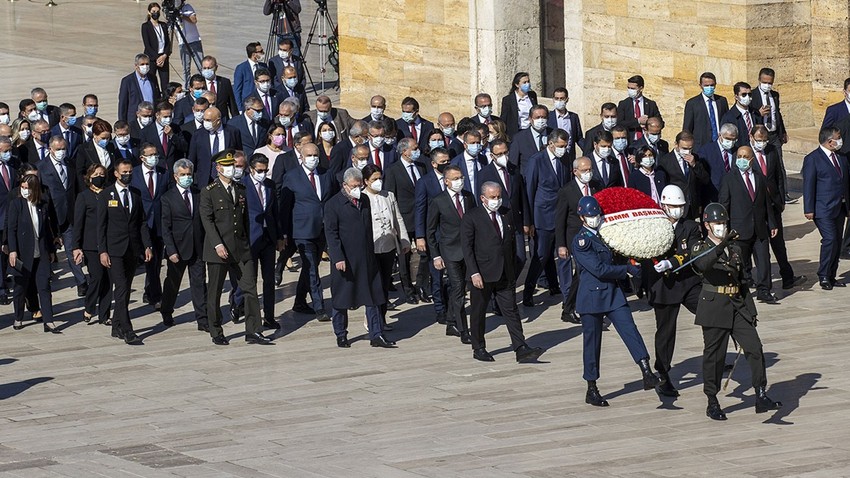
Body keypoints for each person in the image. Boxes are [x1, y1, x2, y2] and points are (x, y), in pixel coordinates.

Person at [692, 203, 782, 420]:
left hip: (737, 305)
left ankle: (761, 393)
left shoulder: (735, 248)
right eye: (717, 223)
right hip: (714, 307)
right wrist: (721, 245)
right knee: (715, 357)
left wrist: (750, 310)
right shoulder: (700, 247)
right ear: (706, 225)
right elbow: (703, 265)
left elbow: (742, 281)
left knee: (755, 348)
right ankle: (712, 400)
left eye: (723, 223)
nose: (721, 226)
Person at [571, 196, 660, 407]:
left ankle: (646, 370)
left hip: (612, 294)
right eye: (591, 216)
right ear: (582, 217)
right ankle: (591, 387)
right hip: (592, 296)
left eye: (597, 215)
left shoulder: (606, 233)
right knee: (592, 343)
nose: (595, 219)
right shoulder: (581, 241)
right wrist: (626, 270)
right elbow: (598, 269)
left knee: (630, 330)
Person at [461, 181, 543, 363]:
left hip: (505, 273)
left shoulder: (506, 214)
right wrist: (474, 273)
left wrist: (513, 269)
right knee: (479, 312)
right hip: (482, 274)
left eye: (498, 197)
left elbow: (511, 243)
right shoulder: (472, 217)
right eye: (492, 197)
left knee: (511, 311)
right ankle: (479, 347)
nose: (496, 201)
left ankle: (520, 347)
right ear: (483, 198)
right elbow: (467, 247)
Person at [200, 150, 271, 345]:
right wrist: (217, 244)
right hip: (219, 250)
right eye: (227, 165)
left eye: (233, 165)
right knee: (214, 292)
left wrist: (246, 243)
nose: (231, 169)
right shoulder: (209, 192)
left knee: (250, 289)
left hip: (241, 247)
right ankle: (216, 330)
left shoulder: (240, 189)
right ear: (218, 168)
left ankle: (254, 330)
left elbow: (244, 220)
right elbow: (207, 221)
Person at [323, 167, 394, 348]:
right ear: (345, 185)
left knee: (373, 297)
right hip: (345, 259)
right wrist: (338, 257)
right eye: (354, 186)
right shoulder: (333, 205)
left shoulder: (364, 200)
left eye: (359, 185)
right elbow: (331, 234)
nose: (357, 188)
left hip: (366, 257)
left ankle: (376, 334)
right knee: (342, 298)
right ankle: (341, 333)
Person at [644, 185, 702, 397]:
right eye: (673, 206)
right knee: (666, 333)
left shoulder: (690, 227)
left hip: (688, 283)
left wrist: (671, 262)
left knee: (710, 313)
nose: (677, 210)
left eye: (680, 206)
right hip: (664, 287)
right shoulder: (653, 225)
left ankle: (715, 357)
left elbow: (693, 250)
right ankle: (664, 374)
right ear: (664, 205)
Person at [98, 159, 154, 345]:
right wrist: (103, 251)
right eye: (124, 172)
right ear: (116, 173)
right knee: (121, 287)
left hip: (132, 248)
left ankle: (116, 325)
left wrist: (147, 245)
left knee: (126, 287)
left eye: (130, 172)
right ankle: (127, 328)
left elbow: (142, 222)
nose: (127, 175)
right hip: (114, 249)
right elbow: (101, 226)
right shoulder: (107, 195)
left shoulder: (136, 194)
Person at [280, 143, 333, 321]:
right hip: (302, 231)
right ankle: (319, 307)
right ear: (301, 156)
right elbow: (285, 206)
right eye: (309, 155)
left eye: (316, 155)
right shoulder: (292, 176)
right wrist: (284, 233)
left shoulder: (326, 174)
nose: (313, 158)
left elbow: (331, 199)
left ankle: (300, 302)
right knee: (311, 270)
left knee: (312, 267)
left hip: (322, 229)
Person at [718, 146, 778, 303]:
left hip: (759, 228)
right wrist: (723, 228)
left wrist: (772, 224)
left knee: (764, 260)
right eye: (739, 156)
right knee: (740, 264)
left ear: (752, 159)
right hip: (739, 229)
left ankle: (764, 290)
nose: (742, 159)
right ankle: (740, 291)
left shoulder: (759, 177)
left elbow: (766, 203)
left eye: (745, 156)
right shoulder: (729, 179)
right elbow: (724, 204)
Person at [751, 126, 805, 290]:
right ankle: (760, 282)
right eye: (759, 140)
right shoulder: (745, 154)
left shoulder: (772, 151)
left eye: (764, 140)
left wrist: (781, 200)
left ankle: (787, 277)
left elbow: (779, 177)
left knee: (779, 244)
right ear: (751, 137)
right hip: (756, 206)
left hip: (773, 205)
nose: (762, 143)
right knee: (759, 246)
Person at [427, 164, 476, 344]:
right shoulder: (438, 200)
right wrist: (436, 255)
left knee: (461, 286)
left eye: (460, 177)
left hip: (468, 250)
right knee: (458, 290)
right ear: (446, 181)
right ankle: (463, 329)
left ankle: (450, 321)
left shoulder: (469, 197)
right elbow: (430, 230)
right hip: (450, 251)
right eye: (455, 179)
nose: (459, 181)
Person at [523, 129, 571, 307]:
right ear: (551, 144)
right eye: (560, 146)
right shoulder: (537, 160)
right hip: (542, 215)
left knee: (558, 252)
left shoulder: (565, 159)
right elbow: (530, 191)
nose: (563, 149)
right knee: (541, 254)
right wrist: (529, 221)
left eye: (565, 146)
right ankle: (528, 290)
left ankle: (554, 286)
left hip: (561, 214)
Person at [160, 159, 208, 331]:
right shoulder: (167, 198)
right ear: (175, 176)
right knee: (173, 283)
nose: (186, 178)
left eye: (189, 174)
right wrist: (171, 250)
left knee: (199, 283)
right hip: (178, 249)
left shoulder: (199, 193)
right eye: (183, 175)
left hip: (198, 247)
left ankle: (203, 319)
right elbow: (165, 227)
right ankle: (166, 310)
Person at [37, 136, 88, 297]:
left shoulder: (71, 164)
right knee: (46, 253)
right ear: (50, 149)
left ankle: (81, 281)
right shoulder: (41, 168)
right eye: (58, 149)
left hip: (70, 215)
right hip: (50, 218)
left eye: (63, 148)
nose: (61, 152)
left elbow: (77, 188)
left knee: (72, 250)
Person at [8, 173, 58, 332]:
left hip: (41, 252)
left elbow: (46, 231)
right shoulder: (16, 204)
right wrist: (12, 251)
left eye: (27, 188)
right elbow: (11, 229)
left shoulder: (42, 205)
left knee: (44, 286)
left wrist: (51, 250)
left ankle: (49, 321)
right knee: (20, 287)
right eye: (22, 188)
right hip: (23, 253)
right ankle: (18, 317)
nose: (24, 191)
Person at [802, 127, 850, 290]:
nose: (840, 140)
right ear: (830, 141)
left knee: (837, 241)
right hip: (822, 208)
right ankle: (823, 275)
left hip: (840, 208)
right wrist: (808, 208)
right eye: (838, 137)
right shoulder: (813, 159)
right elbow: (808, 185)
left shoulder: (841, 157)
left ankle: (831, 275)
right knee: (829, 239)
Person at [554, 156, 601, 323]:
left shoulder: (596, 186)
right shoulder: (566, 191)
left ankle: (592, 309)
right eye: (584, 170)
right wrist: (561, 245)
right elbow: (560, 220)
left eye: (590, 169)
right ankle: (569, 308)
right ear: (575, 171)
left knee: (590, 273)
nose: (588, 173)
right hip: (575, 238)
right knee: (582, 274)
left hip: (595, 237)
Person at [362, 164, 409, 323]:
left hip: (388, 246)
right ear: (366, 181)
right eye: (374, 179)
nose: (378, 182)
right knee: (373, 286)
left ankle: (381, 319)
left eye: (380, 178)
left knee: (384, 284)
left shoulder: (388, 195)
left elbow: (398, 218)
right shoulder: (362, 197)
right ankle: (371, 320)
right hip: (371, 247)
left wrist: (404, 240)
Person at [241, 153, 283, 330]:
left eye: (266, 170)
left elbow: (275, 212)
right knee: (249, 280)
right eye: (260, 170)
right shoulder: (242, 185)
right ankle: (240, 306)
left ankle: (269, 317)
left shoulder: (270, 185)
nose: (263, 173)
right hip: (251, 238)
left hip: (268, 237)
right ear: (251, 169)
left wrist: (280, 237)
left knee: (268, 279)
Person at [384, 138, 427, 304]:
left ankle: (422, 286)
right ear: (404, 151)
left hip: (422, 218)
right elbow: (389, 196)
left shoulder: (421, 166)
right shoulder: (393, 170)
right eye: (414, 148)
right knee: (405, 258)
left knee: (425, 255)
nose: (418, 151)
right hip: (405, 219)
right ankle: (408, 290)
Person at [477, 139, 529, 271]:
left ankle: (510, 283)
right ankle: (505, 288)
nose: (503, 156)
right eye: (499, 154)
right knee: (502, 260)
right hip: (497, 222)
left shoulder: (514, 170)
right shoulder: (484, 174)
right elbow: (481, 201)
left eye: (505, 152)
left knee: (521, 258)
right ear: (492, 156)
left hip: (515, 222)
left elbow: (522, 196)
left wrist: (526, 222)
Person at [131, 143, 171, 309]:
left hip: (158, 225)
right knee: (144, 260)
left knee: (154, 262)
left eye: (156, 154)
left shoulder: (163, 173)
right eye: (150, 154)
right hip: (140, 224)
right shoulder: (134, 174)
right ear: (142, 157)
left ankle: (154, 294)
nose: (154, 157)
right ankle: (150, 292)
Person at [72, 165, 113, 326]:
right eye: (96, 175)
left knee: (108, 281)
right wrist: (76, 246)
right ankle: (89, 307)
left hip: (109, 243)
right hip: (90, 245)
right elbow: (78, 223)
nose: (100, 177)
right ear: (89, 177)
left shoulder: (109, 194)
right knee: (97, 277)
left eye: (102, 174)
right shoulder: (83, 197)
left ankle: (105, 315)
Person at [414, 148, 451, 320]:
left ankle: (451, 305)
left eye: (448, 161)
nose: (446, 164)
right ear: (434, 164)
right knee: (436, 274)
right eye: (443, 162)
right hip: (433, 233)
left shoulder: (453, 177)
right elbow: (420, 210)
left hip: (450, 233)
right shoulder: (425, 182)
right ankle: (439, 309)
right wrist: (420, 236)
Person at [657, 130, 710, 220]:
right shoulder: (665, 161)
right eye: (684, 148)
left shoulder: (695, 158)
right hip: (675, 206)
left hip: (692, 207)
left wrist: (694, 165)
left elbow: (705, 179)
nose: (687, 151)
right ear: (676, 144)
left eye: (690, 148)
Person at [188, 106, 242, 187]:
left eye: (208, 120)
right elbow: (192, 158)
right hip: (205, 180)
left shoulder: (232, 132)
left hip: (227, 177)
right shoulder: (198, 134)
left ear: (218, 121)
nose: (205, 122)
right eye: (204, 119)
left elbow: (239, 154)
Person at [683, 72, 730, 150]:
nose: (709, 87)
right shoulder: (692, 103)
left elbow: (727, 122)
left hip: (720, 145)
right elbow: (687, 128)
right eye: (706, 85)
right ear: (700, 86)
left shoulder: (722, 101)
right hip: (700, 147)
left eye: (712, 85)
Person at [0, 136, 21, 305]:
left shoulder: (14, 163)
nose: (9, 154)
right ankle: (1, 289)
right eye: (5, 151)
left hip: (13, 217)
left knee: (10, 251)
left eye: (10, 150)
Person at [616, 75, 663, 142]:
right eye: (629, 88)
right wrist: (638, 121)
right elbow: (619, 123)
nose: (630, 90)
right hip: (631, 141)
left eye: (633, 88)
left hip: (647, 140)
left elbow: (660, 122)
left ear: (641, 88)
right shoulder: (624, 104)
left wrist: (649, 124)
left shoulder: (651, 104)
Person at [118, 54, 161, 124]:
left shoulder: (153, 78)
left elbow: (158, 97)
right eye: (142, 64)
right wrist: (122, 122)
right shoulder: (127, 81)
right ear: (136, 66)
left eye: (147, 64)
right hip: (135, 120)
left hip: (151, 118)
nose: (145, 66)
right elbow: (123, 104)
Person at [508, 104, 551, 174]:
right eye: (537, 117)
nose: (540, 120)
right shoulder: (519, 138)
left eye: (543, 117)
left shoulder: (553, 134)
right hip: (528, 181)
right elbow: (513, 164)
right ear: (530, 119)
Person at [720, 82, 762, 149]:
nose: (747, 97)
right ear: (736, 97)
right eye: (744, 95)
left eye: (749, 94)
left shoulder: (755, 113)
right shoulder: (729, 117)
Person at [141, 2, 172, 94]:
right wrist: (156, 58)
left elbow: (167, 42)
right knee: (152, 82)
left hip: (163, 57)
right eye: (153, 11)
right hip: (152, 58)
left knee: (165, 83)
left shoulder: (163, 25)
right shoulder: (145, 26)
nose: (156, 13)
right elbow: (147, 45)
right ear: (149, 12)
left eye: (157, 11)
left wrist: (165, 55)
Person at [500, 72, 538, 140]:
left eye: (528, 81)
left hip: (531, 130)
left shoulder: (532, 95)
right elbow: (504, 118)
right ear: (517, 85)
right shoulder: (508, 100)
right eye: (524, 82)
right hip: (517, 132)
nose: (527, 84)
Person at [200, 56, 240, 121]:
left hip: (222, 119)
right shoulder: (200, 84)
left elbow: (232, 104)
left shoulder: (225, 82)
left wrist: (236, 120)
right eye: (204, 68)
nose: (207, 70)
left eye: (209, 68)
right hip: (206, 119)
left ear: (216, 67)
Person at [548, 88, 582, 163]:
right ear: (553, 99)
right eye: (557, 98)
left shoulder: (573, 117)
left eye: (562, 98)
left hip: (569, 156)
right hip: (553, 155)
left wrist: (588, 149)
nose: (559, 101)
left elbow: (578, 137)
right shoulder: (549, 117)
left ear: (567, 99)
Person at [175, 2, 203, 87]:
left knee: (201, 66)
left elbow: (194, 20)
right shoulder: (171, 12)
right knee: (186, 68)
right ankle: (187, 87)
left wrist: (181, 16)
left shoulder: (187, 7)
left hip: (194, 40)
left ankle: (202, 84)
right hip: (182, 43)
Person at [233, 42, 268, 109]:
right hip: (248, 104)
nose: (263, 53)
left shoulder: (264, 66)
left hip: (262, 102)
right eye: (260, 51)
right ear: (254, 54)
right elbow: (237, 90)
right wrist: (239, 108)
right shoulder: (241, 68)